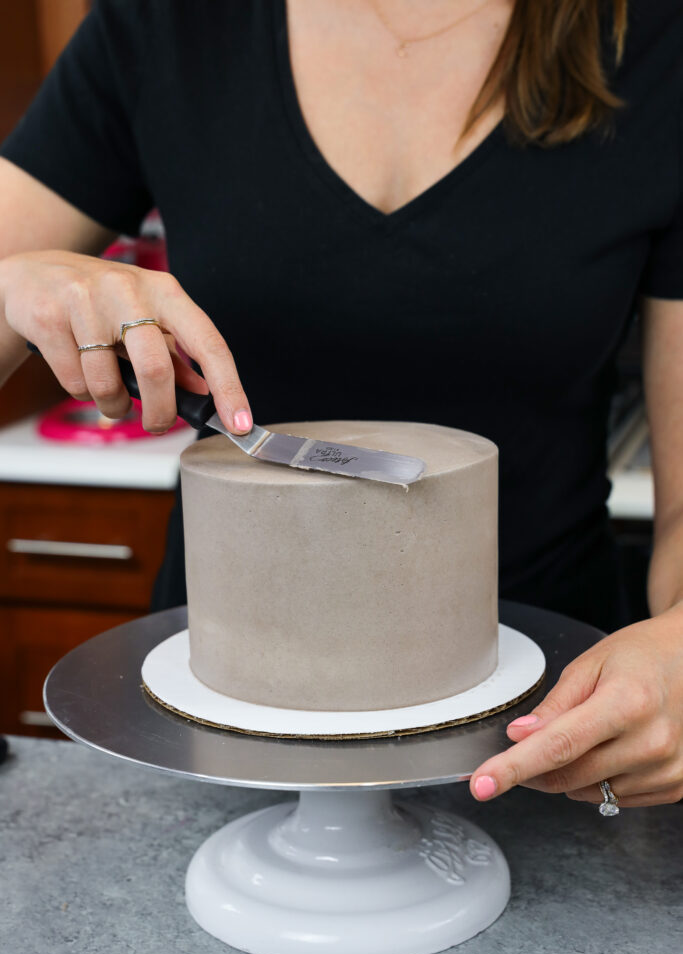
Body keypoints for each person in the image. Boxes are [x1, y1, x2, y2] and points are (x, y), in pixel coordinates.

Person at [0, 0, 681, 811]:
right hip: (224, 725)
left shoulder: (654, 38)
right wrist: (15, 281)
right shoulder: (168, 22)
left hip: (546, 734)